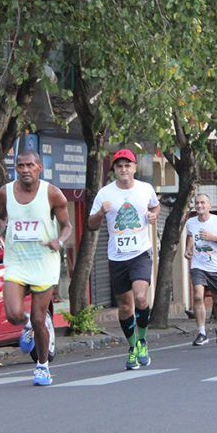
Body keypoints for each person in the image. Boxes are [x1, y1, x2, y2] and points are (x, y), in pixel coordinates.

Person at [0, 150, 72, 386]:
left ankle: (43, 366)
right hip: (17, 261)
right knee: (13, 313)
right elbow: (1, 216)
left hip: (44, 262)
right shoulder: (5, 191)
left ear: (39, 169)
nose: (25, 169)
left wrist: (60, 241)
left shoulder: (53, 194)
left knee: (39, 318)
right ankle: (26, 325)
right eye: (20, 165)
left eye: (30, 165)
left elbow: (66, 225)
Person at [88, 149, 160, 370]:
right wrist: (101, 213)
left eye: (127, 165)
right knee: (125, 307)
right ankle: (131, 347)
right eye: (119, 166)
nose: (123, 169)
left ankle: (142, 341)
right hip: (116, 256)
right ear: (114, 170)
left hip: (140, 253)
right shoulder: (104, 193)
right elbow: (91, 224)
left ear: (134, 168)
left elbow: (154, 206)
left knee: (140, 297)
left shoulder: (145, 189)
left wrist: (153, 215)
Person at [184, 194, 217, 346]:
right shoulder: (191, 222)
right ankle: (201, 333)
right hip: (198, 266)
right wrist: (188, 248)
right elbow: (191, 236)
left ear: (209, 206)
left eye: (203, 203)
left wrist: (214, 238)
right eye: (197, 203)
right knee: (198, 297)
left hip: (216, 267)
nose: (199, 206)